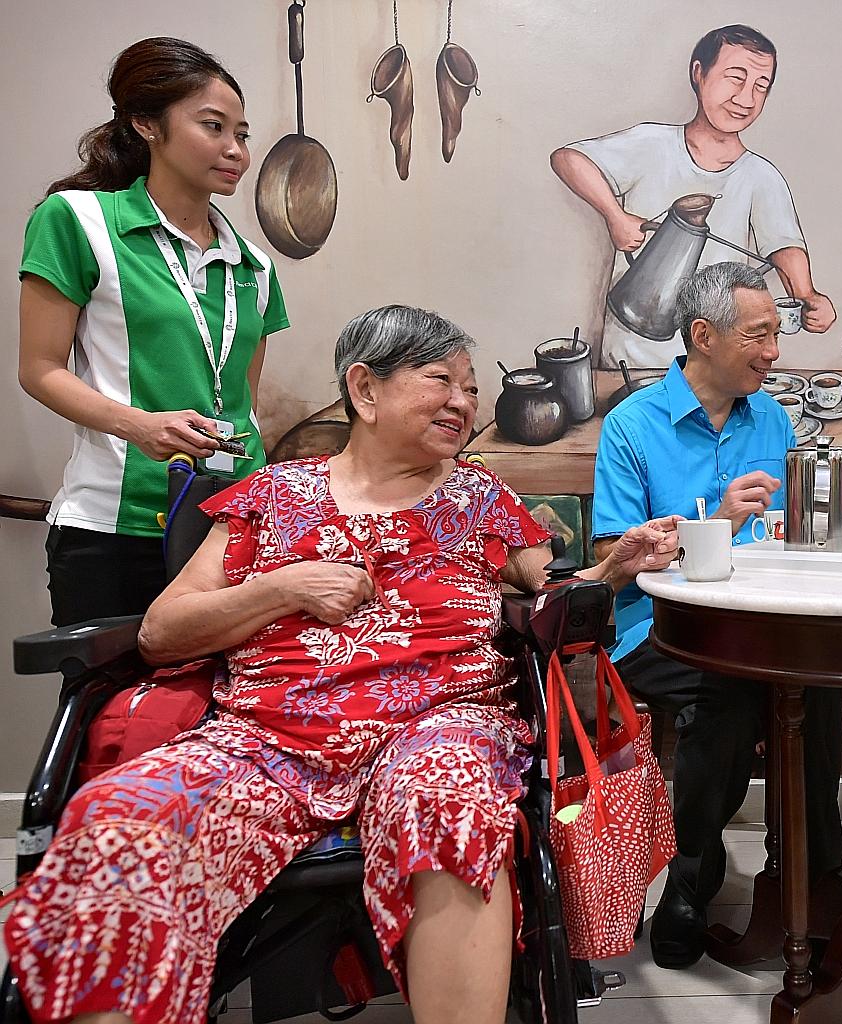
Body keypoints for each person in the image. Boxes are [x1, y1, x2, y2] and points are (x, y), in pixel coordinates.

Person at [2, 306, 681, 1024]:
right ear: (365, 389)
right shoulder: (271, 496)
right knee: (121, 822)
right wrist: (282, 587)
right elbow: (163, 632)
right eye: (440, 379)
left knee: (451, 800)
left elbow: (551, 601)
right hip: (265, 739)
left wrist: (614, 568)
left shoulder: (481, 496)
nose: (463, 402)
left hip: (439, 727)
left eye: (472, 387)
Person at [592, 262, 842, 968]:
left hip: (758, 623)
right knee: (725, 695)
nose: (773, 351)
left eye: (774, 333)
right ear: (703, 335)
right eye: (758, 335)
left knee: (819, 684)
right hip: (658, 628)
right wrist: (721, 523)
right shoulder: (632, 425)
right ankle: (690, 880)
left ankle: (812, 876)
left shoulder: (772, 416)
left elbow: (787, 529)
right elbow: (614, 553)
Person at [17, 37, 289, 627]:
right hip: (115, 532)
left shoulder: (256, 266)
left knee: (230, 714)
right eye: (213, 127)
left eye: (241, 134)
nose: (235, 149)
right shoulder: (78, 220)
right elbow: (38, 370)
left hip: (233, 533)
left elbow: (243, 403)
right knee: (115, 715)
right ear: (145, 124)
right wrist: (139, 425)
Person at [551, 23, 836, 369]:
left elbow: (785, 247)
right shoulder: (652, 145)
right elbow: (568, 159)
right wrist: (616, 216)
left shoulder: (762, 177)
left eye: (761, 87)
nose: (746, 99)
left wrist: (808, 297)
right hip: (632, 359)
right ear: (698, 73)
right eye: (735, 78)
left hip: (718, 368)